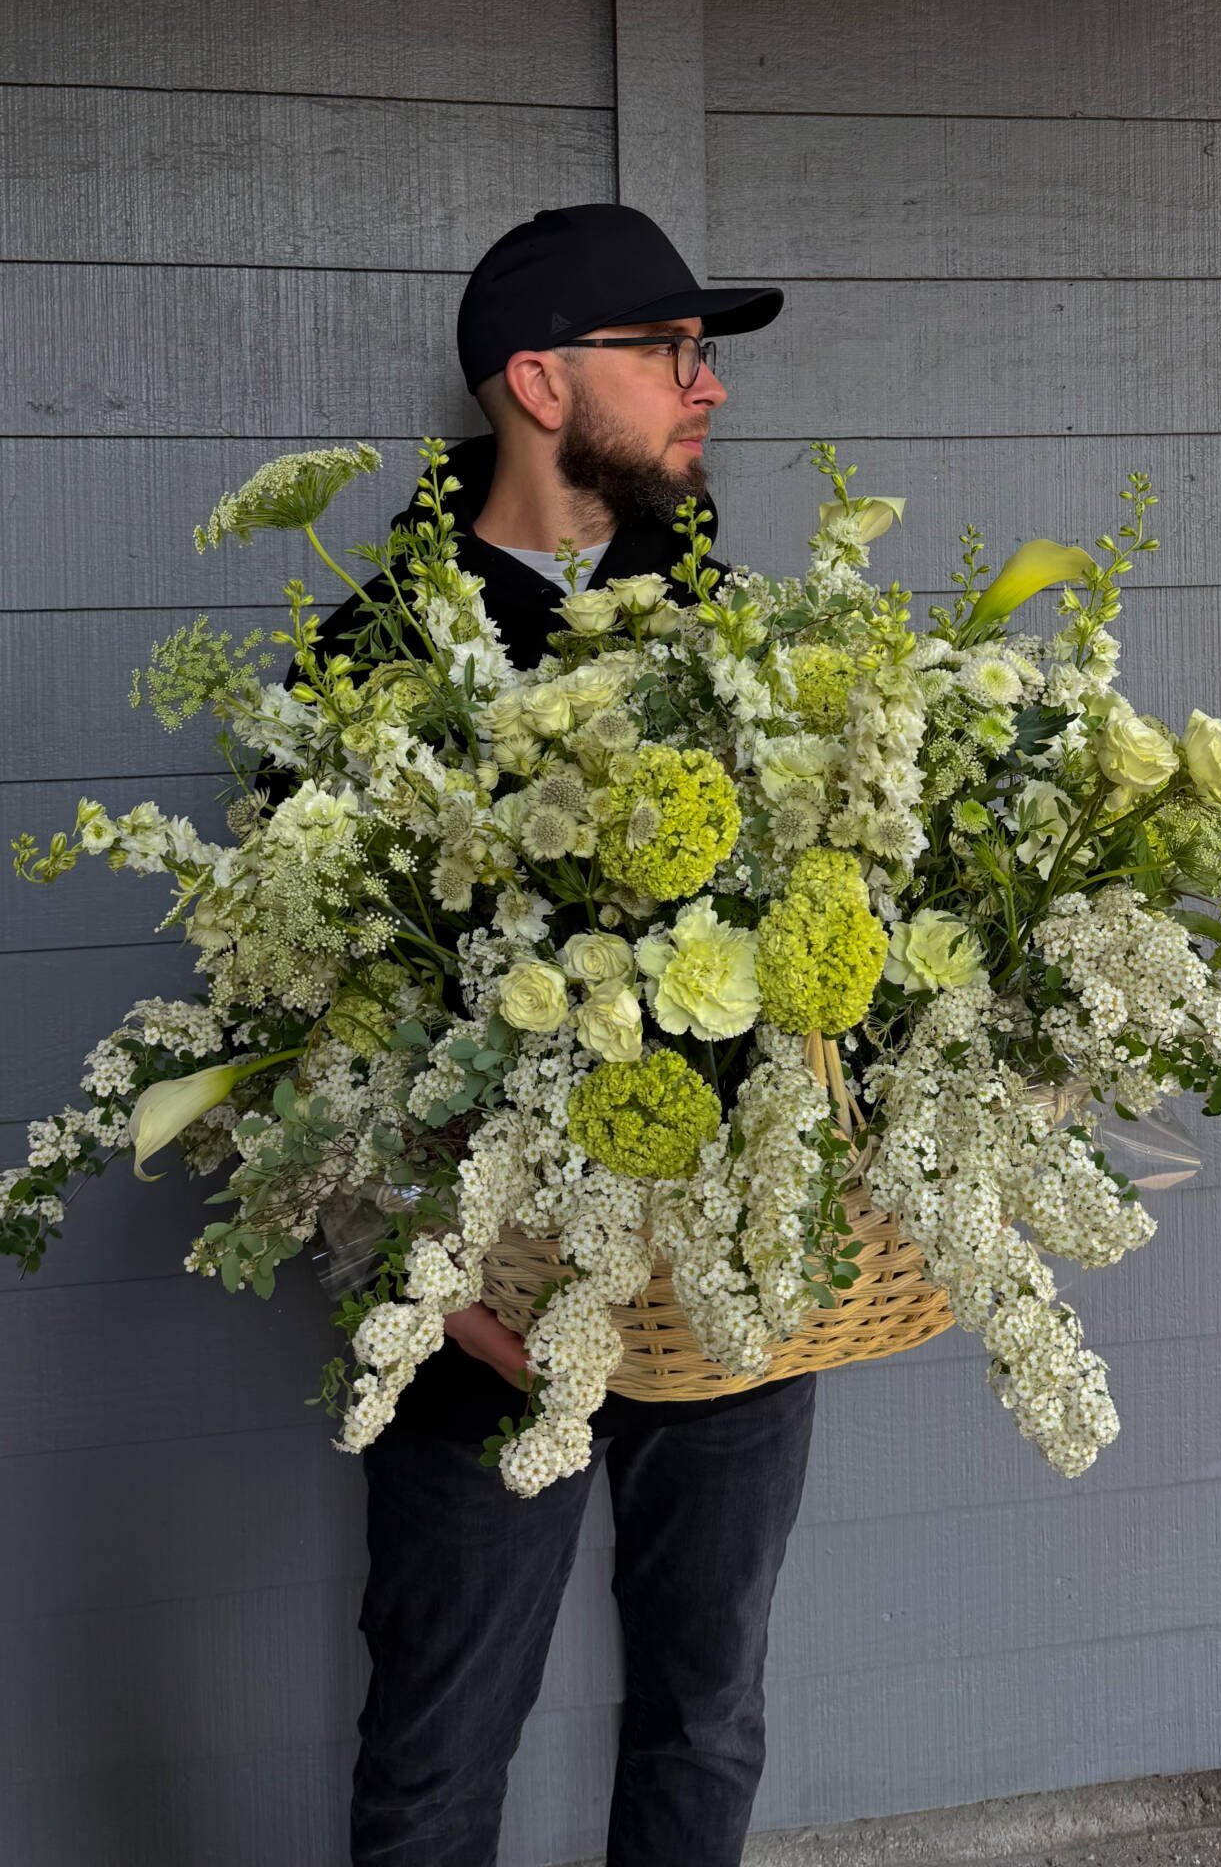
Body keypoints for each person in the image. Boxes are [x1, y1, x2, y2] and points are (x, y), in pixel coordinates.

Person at [296, 204, 816, 1867]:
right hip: (491, 1310)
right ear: (540, 382)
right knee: (437, 1754)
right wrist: (409, 1260)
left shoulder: (742, 639)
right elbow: (292, 1011)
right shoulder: (375, 656)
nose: (707, 385)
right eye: (668, 351)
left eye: (704, 353)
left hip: (724, 1303)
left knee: (708, 1713)